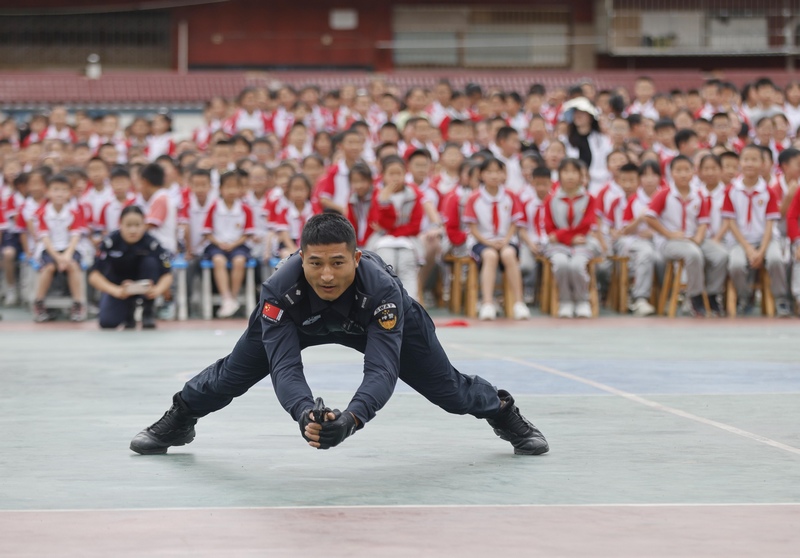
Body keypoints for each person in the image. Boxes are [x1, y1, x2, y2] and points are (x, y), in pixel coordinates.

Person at [129, 213, 548, 457]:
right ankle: (180, 420)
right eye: (315, 263)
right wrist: (304, 414)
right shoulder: (279, 292)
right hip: (299, 320)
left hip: (375, 323)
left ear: (356, 257)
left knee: (451, 393)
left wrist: (351, 420)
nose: (326, 275)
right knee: (227, 378)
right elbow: (285, 367)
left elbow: (382, 370)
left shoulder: (384, 293)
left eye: (337, 262)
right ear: (300, 258)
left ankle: (502, 411)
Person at [645, 156, 728, 317]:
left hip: (693, 238)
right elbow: (649, 217)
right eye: (678, 170)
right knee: (693, 254)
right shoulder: (664, 194)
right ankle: (695, 297)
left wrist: (698, 237)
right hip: (670, 241)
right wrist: (668, 233)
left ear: (693, 172)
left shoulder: (698, 195)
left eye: (687, 170)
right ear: (671, 173)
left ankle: (711, 294)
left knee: (721, 255)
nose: (683, 174)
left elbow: (703, 222)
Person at [722, 145, 790, 316]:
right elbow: (730, 222)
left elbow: (770, 224)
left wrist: (761, 251)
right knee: (736, 265)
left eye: (754, 160)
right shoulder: (732, 190)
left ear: (762, 164)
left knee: (776, 260)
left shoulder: (768, 191)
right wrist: (748, 248)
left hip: (766, 239)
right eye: (746, 159)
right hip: (740, 240)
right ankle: (745, 298)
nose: (749, 164)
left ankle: (781, 300)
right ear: (740, 163)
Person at [463, 157, 529, 321]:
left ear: (504, 174)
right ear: (481, 174)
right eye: (489, 172)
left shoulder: (510, 195)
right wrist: (488, 242)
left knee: (508, 255)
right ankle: (487, 303)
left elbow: (515, 223)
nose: (494, 175)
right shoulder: (474, 197)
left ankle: (519, 303)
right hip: (482, 242)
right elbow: (472, 227)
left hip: (505, 240)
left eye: (498, 171)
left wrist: (506, 239)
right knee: (490, 256)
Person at [89, 206, 174, 329]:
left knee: (150, 262)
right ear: (120, 224)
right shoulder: (110, 243)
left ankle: (148, 312)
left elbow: (167, 273)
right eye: (128, 225)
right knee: (107, 322)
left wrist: (157, 290)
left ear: (144, 225)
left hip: (145, 287)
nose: (133, 230)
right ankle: (128, 314)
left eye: (137, 225)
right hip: (119, 289)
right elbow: (93, 275)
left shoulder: (153, 244)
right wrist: (116, 291)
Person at [543, 158, 600, 319]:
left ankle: (582, 301)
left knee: (576, 265)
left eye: (574, 172)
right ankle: (565, 300)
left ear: (581, 176)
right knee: (560, 264)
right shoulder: (551, 199)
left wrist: (562, 235)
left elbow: (587, 224)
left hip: (583, 242)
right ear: (559, 175)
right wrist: (568, 238)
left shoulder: (589, 199)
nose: (570, 176)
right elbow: (549, 228)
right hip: (559, 245)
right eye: (566, 171)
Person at [33, 174, 87, 322]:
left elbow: (75, 236)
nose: (59, 193)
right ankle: (39, 303)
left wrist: (67, 256)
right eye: (56, 189)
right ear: (48, 192)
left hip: (69, 249)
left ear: (69, 193)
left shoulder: (73, 213)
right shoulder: (42, 213)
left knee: (73, 266)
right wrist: (57, 257)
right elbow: (45, 238)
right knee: (49, 268)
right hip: (49, 250)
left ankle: (78, 304)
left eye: (64, 190)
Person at [202, 170, 255, 318]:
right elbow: (207, 232)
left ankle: (233, 297)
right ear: (220, 189)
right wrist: (218, 243)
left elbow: (247, 234)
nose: (232, 191)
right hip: (217, 245)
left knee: (239, 260)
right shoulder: (214, 207)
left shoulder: (245, 209)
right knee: (218, 260)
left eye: (235, 187)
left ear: (241, 189)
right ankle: (226, 298)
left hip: (238, 245)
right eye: (228, 187)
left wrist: (234, 244)